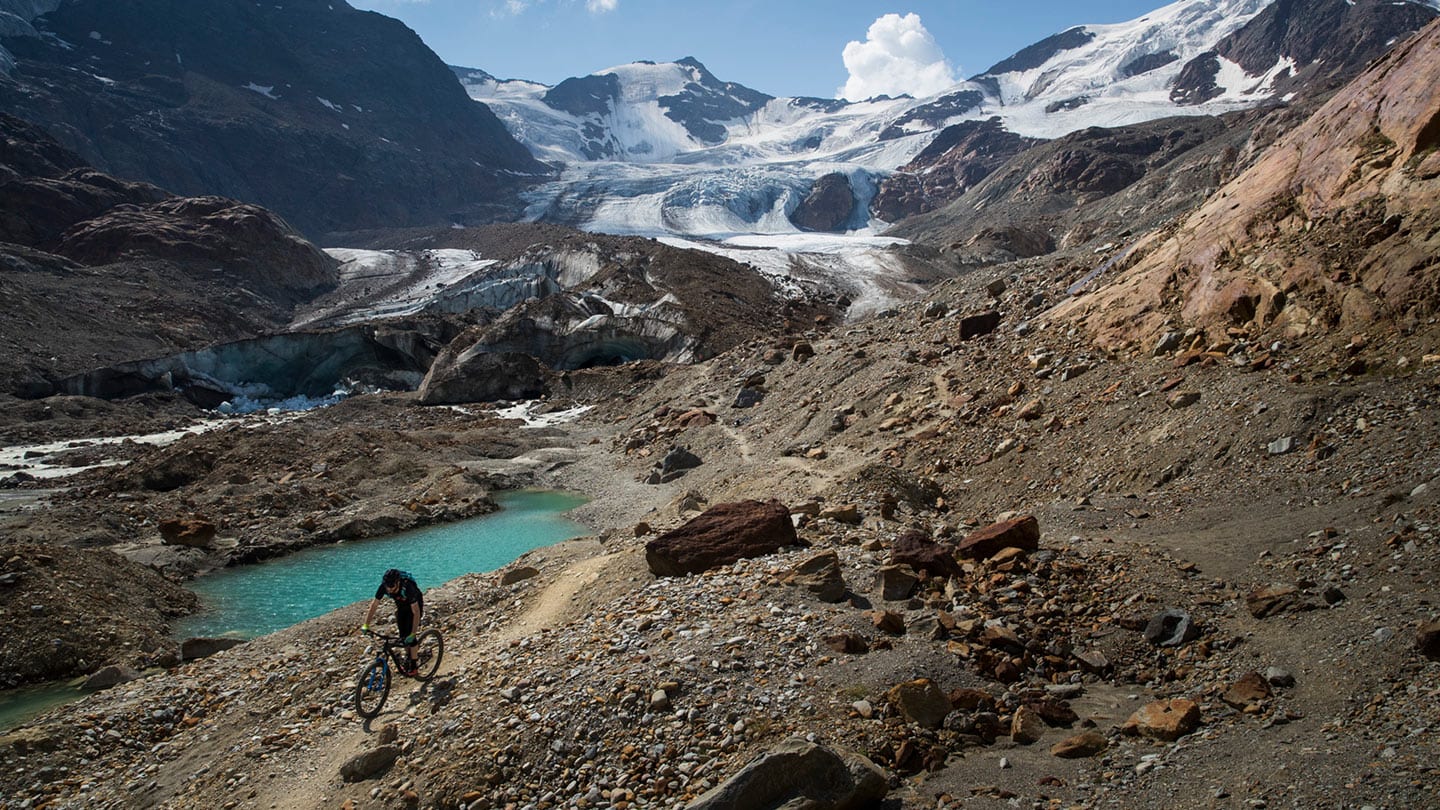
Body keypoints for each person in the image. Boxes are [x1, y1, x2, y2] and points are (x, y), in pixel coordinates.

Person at [362, 568, 424, 675]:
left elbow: (416, 612)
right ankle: (408, 655)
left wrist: (413, 633)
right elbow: (374, 605)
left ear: (398, 582)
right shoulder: (384, 587)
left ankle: (414, 665)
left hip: (415, 606)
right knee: (402, 636)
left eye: (392, 587)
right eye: (388, 587)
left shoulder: (408, 587)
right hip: (401, 606)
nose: (389, 590)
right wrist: (366, 624)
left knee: (410, 636)